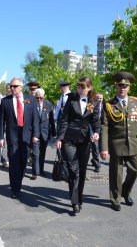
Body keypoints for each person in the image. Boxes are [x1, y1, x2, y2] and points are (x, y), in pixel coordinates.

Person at [100, 71, 137, 212]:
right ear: (116, 87)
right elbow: (104, 127)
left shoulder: (136, 103)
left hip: (133, 143)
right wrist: (104, 148)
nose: (122, 88)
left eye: (125, 86)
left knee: (136, 169)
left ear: (129, 88)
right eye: (120, 86)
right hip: (116, 144)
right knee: (116, 174)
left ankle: (125, 191)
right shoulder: (109, 105)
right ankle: (115, 198)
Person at [56, 76, 100, 214]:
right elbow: (65, 119)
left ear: (90, 88)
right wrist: (60, 138)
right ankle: (74, 202)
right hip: (69, 139)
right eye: (79, 86)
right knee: (73, 170)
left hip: (85, 141)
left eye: (83, 87)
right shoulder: (71, 98)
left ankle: (79, 199)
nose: (80, 89)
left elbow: (95, 121)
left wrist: (96, 133)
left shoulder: (93, 102)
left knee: (82, 171)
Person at [0, 77, 40, 199]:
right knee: (13, 163)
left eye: (15, 86)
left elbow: (35, 119)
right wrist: (1, 137)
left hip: (26, 136)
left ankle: (19, 182)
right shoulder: (5, 101)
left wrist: (36, 135)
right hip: (12, 136)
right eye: (11, 86)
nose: (12, 88)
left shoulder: (30, 99)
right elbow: (1, 121)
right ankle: (14, 189)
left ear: (21, 87)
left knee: (23, 162)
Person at [34, 88, 56, 176]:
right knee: (35, 153)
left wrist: (54, 133)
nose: (39, 99)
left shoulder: (48, 105)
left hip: (45, 133)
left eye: (41, 98)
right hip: (35, 133)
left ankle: (41, 170)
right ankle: (35, 171)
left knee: (42, 152)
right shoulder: (32, 104)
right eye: (37, 98)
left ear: (43, 97)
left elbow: (51, 120)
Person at [26, 80, 41, 179]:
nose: (33, 91)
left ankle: (35, 172)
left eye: (34, 89)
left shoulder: (42, 100)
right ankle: (22, 170)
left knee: (35, 153)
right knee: (26, 153)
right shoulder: (26, 100)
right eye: (31, 89)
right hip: (27, 131)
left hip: (37, 131)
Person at [90, 92, 104, 173]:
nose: (100, 100)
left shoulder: (106, 106)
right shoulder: (91, 104)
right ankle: (97, 165)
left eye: (101, 98)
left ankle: (94, 160)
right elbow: (87, 115)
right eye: (98, 98)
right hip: (93, 127)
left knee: (99, 147)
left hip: (103, 128)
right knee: (95, 146)